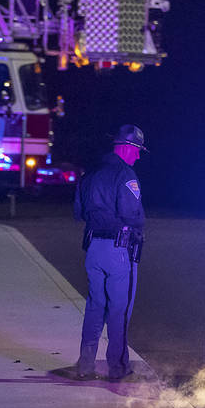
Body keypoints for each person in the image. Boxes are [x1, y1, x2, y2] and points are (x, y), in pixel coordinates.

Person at [74, 124, 147, 380]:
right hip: (119, 250)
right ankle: (117, 366)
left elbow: (79, 212)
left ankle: (85, 364)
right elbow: (132, 215)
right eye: (137, 151)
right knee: (119, 309)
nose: (138, 156)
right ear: (128, 148)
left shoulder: (90, 173)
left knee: (95, 306)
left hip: (93, 248)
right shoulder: (125, 175)